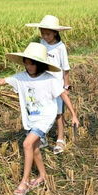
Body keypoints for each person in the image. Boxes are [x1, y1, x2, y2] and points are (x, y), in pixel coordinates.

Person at [0, 42, 79, 195]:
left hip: (46, 116)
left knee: (27, 144)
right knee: (35, 148)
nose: (28, 67)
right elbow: (2, 81)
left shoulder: (49, 79)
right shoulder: (21, 77)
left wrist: (73, 115)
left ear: (39, 64)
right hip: (31, 117)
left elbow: (63, 95)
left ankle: (24, 182)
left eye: (32, 64)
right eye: (26, 63)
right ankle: (43, 176)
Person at [26, 15, 71, 154]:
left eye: (48, 34)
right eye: (42, 33)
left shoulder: (60, 47)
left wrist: (66, 86)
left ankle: (60, 139)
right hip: (42, 83)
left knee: (58, 113)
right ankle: (42, 137)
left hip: (56, 85)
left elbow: (66, 68)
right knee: (42, 111)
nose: (45, 36)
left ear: (55, 33)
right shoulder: (41, 43)